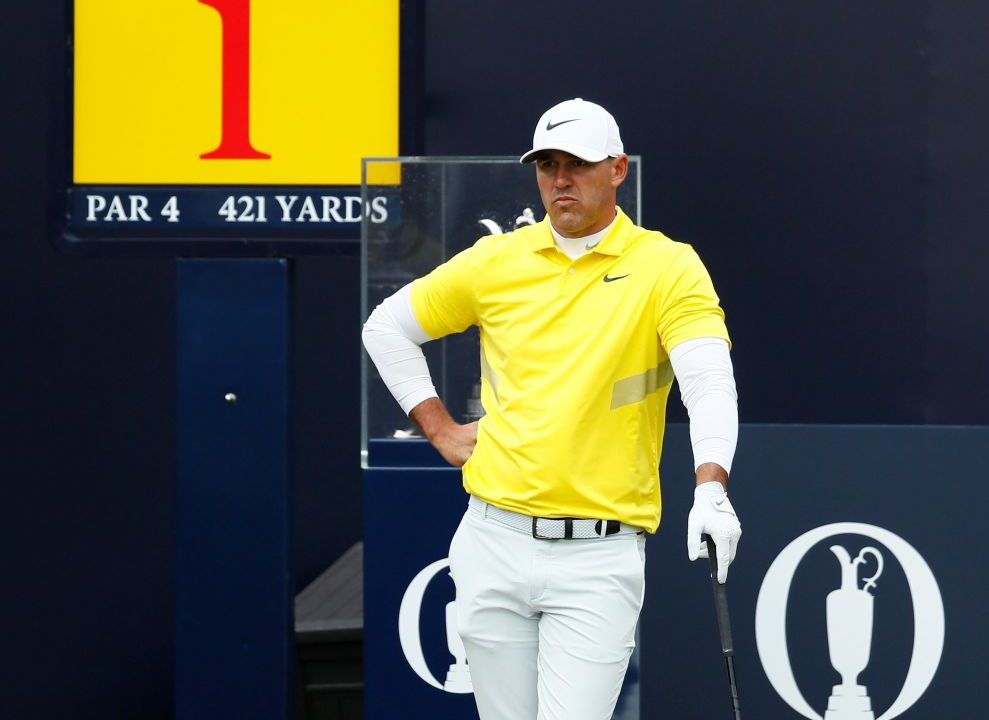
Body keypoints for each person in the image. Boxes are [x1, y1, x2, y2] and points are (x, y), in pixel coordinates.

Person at [362, 98, 741, 720]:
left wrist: (711, 486)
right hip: (492, 537)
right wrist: (440, 429)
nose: (561, 180)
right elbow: (386, 328)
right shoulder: (496, 261)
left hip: (598, 554)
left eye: (578, 164)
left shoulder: (668, 267)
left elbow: (708, 381)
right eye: (547, 166)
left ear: (617, 169)